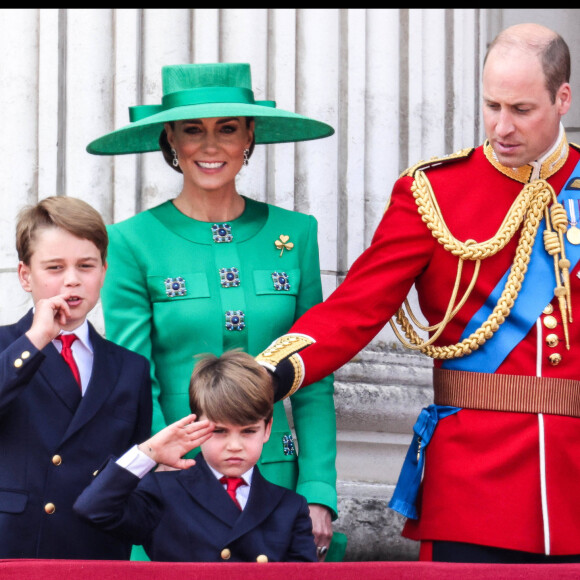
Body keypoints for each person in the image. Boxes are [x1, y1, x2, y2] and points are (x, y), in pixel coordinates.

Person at [256, 23, 580, 563]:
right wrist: (264, 374)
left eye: (521, 109)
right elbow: (354, 309)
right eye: (491, 105)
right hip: (474, 486)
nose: (501, 126)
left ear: (562, 97)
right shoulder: (434, 193)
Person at [87, 62, 344, 561]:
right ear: (170, 140)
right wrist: (169, 472)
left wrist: (317, 491)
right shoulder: (131, 242)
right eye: (192, 131)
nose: (210, 147)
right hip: (179, 482)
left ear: (250, 136)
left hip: (277, 485)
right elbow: (135, 382)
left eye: (227, 129)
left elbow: (315, 375)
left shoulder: (298, 234)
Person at [0, 196, 152, 559]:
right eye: (54, 268)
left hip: (94, 549)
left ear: (103, 272)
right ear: (25, 275)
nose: (72, 281)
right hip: (12, 547)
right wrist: (37, 339)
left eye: (86, 266)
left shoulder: (130, 367)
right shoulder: (7, 347)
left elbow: (136, 469)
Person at [74, 350, 318, 562]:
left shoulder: (289, 507)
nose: (234, 445)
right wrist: (148, 452)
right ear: (194, 426)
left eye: (248, 431)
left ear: (267, 429)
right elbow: (93, 508)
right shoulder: (164, 492)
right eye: (219, 431)